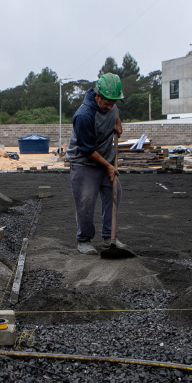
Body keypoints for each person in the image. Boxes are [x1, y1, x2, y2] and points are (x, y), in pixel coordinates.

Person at [65, 73, 124, 255]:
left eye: (113, 103)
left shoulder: (111, 106)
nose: (110, 106)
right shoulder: (84, 115)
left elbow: (115, 113)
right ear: (98, 96)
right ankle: (84, 240)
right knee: (85, 202)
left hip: (105, 158)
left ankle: (109, 237)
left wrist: (118, 124)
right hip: (84, 162)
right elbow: (87, 150)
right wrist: (107, 166)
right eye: (107, 103)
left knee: (114, 193)